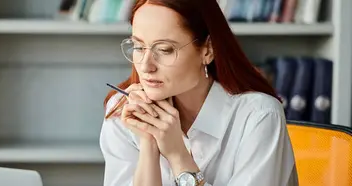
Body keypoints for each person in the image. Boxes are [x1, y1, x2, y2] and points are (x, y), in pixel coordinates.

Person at [99, 0, 298, 186]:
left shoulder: (259, 115)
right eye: (138, 47)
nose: (146, 66)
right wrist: (149, 144)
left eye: (165, 49)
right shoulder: (123, 111)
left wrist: (177, 154)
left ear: (207, 50)